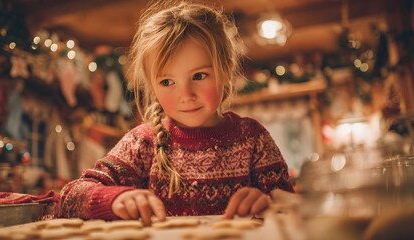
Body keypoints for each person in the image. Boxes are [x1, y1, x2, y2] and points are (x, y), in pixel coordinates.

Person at [58, 0, 293, 226]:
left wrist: (268, 205)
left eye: (199, 76)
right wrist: (115, 199)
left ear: (226, 70)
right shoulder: (142, 143)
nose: (186, 95)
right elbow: (71, 196)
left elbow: (292, 209)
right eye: (167, 81)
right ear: (151, 86)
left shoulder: (253, 139)